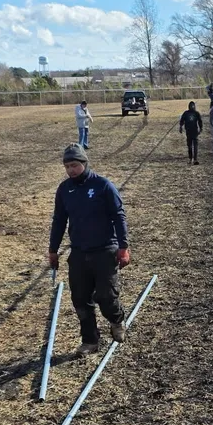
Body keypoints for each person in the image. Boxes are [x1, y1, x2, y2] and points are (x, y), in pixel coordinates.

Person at [47, 143, 130, 356]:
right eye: (67, 166)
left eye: (74, 165)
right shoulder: (65, 190)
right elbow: (58, 221)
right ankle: (90, 340)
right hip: (79, 251)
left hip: (105, 249)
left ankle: (116, 319)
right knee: (80, 298)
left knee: (105, 295)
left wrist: (123, 246)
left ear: (84, 163)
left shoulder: (102, 185)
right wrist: (53, 249)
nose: (70, 170)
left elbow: (119, 216)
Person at [179, 100, 204, 165]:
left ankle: (195, 159)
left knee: (194, 146)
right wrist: (180, 127)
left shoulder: (196, 113)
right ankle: (191, 159)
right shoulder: (186, 113)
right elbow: (182, 120)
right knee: (190, 146)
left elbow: (200, 121)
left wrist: (201, 128)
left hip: (194, 131)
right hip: (189, 132)